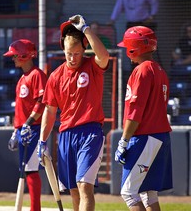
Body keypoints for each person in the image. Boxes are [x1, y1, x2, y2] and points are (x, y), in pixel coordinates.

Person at [37, 14, 109, 211]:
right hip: (66, 135)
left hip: (90, 132)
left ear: (84, 48)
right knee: (74, 191)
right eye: (69, 53)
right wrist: (42, 141)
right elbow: (50, 111)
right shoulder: (55, 76)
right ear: (63, 49)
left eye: (77, 53)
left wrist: (86, 29)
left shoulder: (92, 66)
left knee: (84, 186)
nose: (72, 58)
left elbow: (103, 56)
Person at [116, 26, 173, 211]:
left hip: (145, 137)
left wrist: (124, 141)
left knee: (129, 193)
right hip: (160, 136)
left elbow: (135, 113)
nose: (126, 50)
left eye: (127, 46)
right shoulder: (159, 70)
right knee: (148, 193)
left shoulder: (141, 71)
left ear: (135, 47)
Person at [3, 39, 47, 211]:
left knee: (30, 169)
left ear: (24, 55)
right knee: (27, 169)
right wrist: (16, 131)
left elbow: (42, 102)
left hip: (34, 128)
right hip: (23, 129)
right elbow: (20, 110)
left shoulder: (37, 75)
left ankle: (35, 208)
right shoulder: (22, 78)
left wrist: (28, 123)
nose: (13, 59)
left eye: (15, 56)